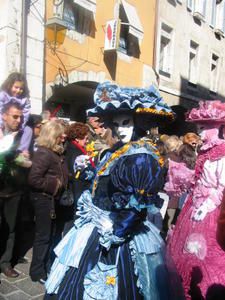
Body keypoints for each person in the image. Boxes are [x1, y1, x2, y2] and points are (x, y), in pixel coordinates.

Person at [44, 82, 184, 299]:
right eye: (115, 123)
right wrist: (91, 172)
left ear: (138, 123)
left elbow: (136, 206)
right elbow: (108, 182)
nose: (119, 129)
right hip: (97, 224)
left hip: (119, 234)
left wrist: (117, 232)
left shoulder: (141, 157)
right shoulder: (118, 151)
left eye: (125, 122)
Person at [166, 100, 225, 299]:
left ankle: (202, 289)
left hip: (210, 211)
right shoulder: (205, 152)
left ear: (215, 129)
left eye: (202, 129)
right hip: (193, 205)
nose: (199, 133)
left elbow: (222, 187)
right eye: (199, 128)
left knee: (204, 254)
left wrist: (207, 206)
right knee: (184, 250)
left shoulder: (222, 155)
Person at [28, 120, 68, 284]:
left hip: (52, 200)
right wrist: (56, 185)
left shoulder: (55, 152)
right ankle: (37, 272)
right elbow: (34, 179)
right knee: (43, 237)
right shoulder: (44, 152)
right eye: (61, 134)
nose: (64, 136)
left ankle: (47, 265)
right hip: (44, 201)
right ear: (53, 135)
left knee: (50, 235)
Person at [0, 101, 27, 278]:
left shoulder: (23, 136)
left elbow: (26, 160)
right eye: (15, 116)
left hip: (14, 191)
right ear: (4, 115)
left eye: (21, 117)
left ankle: (5, 263)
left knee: (10, 229)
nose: (18, 120)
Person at [63, 122, 96, 232]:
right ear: (77, 138)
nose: (87, 141)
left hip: (74, 190)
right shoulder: (76, 152)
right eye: (85, 139)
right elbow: (78, 175)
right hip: (78, 192)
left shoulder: (70, 148)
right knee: (74, 222)